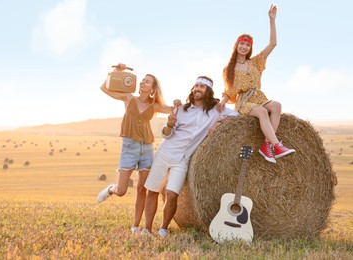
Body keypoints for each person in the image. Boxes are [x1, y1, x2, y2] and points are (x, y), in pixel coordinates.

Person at [143, 76, 238, 237]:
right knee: (152, 190)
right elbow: (166, 135)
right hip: (166, 153)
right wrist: (170, 124)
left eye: (201, 86)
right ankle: (146, 228)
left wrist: (218, 123)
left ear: (208, 91)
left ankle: (163, 228)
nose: (197, 89)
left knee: (172, 195)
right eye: (196, 86)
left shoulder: (216, 110)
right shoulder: (181, 110)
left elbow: (237, 114)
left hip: (183, 159)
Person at [96, 63, 179, 234]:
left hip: (147, 148)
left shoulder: (155, 106)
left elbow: (176, 110)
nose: (142, 83)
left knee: (142, 188)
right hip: (129, 147)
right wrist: (117, 72)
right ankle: (111, 188)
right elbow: (104, 88)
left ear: (153, 89)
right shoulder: (128, 97)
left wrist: (178, 104)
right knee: (122, 190)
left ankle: (136, 226)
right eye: (142, 80)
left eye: (147, 82)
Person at [218, 4, 295, 163]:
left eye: (247, 45)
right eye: (242, 43)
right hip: (244, 101)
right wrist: (222, 101)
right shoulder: (229, 69)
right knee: (261, 111)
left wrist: (272, 20)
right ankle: (277, 145)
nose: (244, 47)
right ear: (236, 45)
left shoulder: (255, 63)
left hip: (259, 96)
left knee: (277, 106)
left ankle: (266, 145)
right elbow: (229, 91)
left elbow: (273, 44)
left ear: (250, 48)